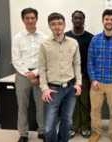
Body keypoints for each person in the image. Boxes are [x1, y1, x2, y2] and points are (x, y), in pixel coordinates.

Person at [38, 12, 82, 142]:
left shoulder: (73, 43)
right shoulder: (44, 44)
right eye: (53, 24)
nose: (57, 27)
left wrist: (78, 83)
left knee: (67, 120)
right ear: (49, 26)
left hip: (70, 88)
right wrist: (44, 88)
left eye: (59, 24)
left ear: (64, 25)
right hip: (52, 89)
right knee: (48, 126)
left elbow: (77, 64)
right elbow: (41, 68)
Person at [88, 9, 112, 142]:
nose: (109, 22)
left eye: (111, 20)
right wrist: (93, 79)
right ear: (102, 21)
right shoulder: (95, 39)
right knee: (95, 110)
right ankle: (96, 132)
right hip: (97, 83)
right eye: (107, 19)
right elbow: (90, 61)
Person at [12, 7, 48, 142]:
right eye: (27, 18)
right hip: (23, 75)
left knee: (42, 106)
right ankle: (23, 134)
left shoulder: (44, 37)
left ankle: (42, 131)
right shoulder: (17, 38)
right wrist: (29, 74)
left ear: (36, 19)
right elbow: (16, 60)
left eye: (33, 18)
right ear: (23, 20)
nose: (30, 20)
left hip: (40, 74)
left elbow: (45, 58)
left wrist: (36, 73)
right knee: (22, 106)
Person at [65, 10, 94, 139]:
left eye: (80, 18)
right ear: (71, 20)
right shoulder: (65, 36)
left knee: (85, 103)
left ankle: (86, 127)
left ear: (83, 20)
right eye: (75, 18)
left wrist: (84, 73)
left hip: (85, 77)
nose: (78, 20)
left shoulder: (90, 37)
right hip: (69, 77)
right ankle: (72, 127)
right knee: (72, 103)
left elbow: (92, 58)